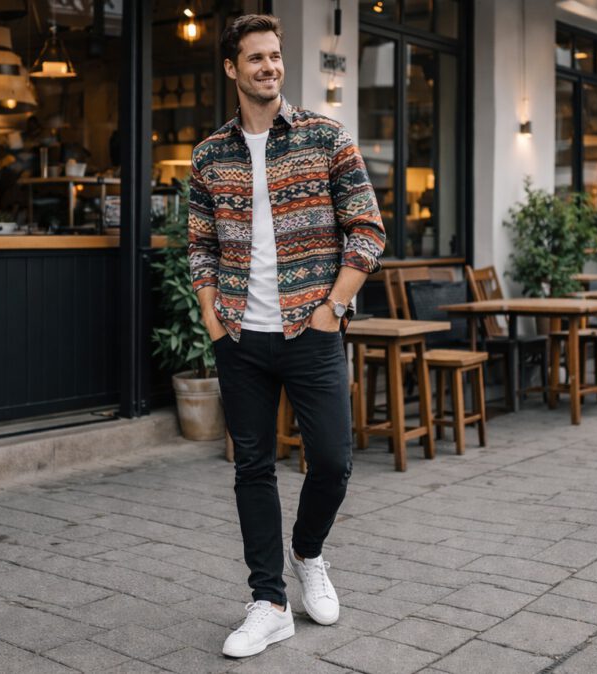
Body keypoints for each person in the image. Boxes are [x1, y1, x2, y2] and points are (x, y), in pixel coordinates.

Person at [185, 14, 385, 659]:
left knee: (332, 461)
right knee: (253, 468)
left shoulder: (325, 137)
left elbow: (367, 229)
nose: (269, 67)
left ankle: (308, 552)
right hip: (242, 335)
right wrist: (215, 321)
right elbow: (200, 248)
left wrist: (333, 307)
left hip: (311, 327)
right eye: (255, 58)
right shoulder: (209, 155)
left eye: (275, 56)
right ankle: (267, 602)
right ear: (231, 69)